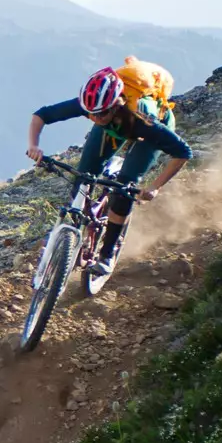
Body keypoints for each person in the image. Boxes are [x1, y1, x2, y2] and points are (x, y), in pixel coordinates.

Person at [24, 57, 193, 278]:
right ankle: (75, 236)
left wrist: (155, 187)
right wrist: (34, 146)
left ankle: (107, 254)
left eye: (100, 113)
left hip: (146, 132)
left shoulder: (144, 120)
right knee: (84, 177)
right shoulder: (94, 106)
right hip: (113, 127)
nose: (94, 117)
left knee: (125, 187)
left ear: (115, 105)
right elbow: (41, 115)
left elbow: (183, 153)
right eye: (90, 112)